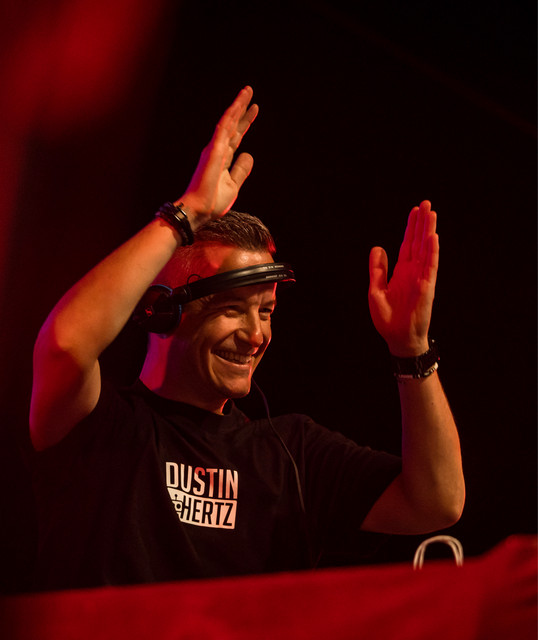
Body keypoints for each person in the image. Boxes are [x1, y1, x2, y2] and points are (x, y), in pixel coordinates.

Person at [29, 86, 465, 590]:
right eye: (233, 309)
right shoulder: (99, 426)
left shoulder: (294, 454)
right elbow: (66, 344)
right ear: (161, 312)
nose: (256, 335)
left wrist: (411, 350)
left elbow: (437, 501)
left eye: (266, 311)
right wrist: (187, 214)